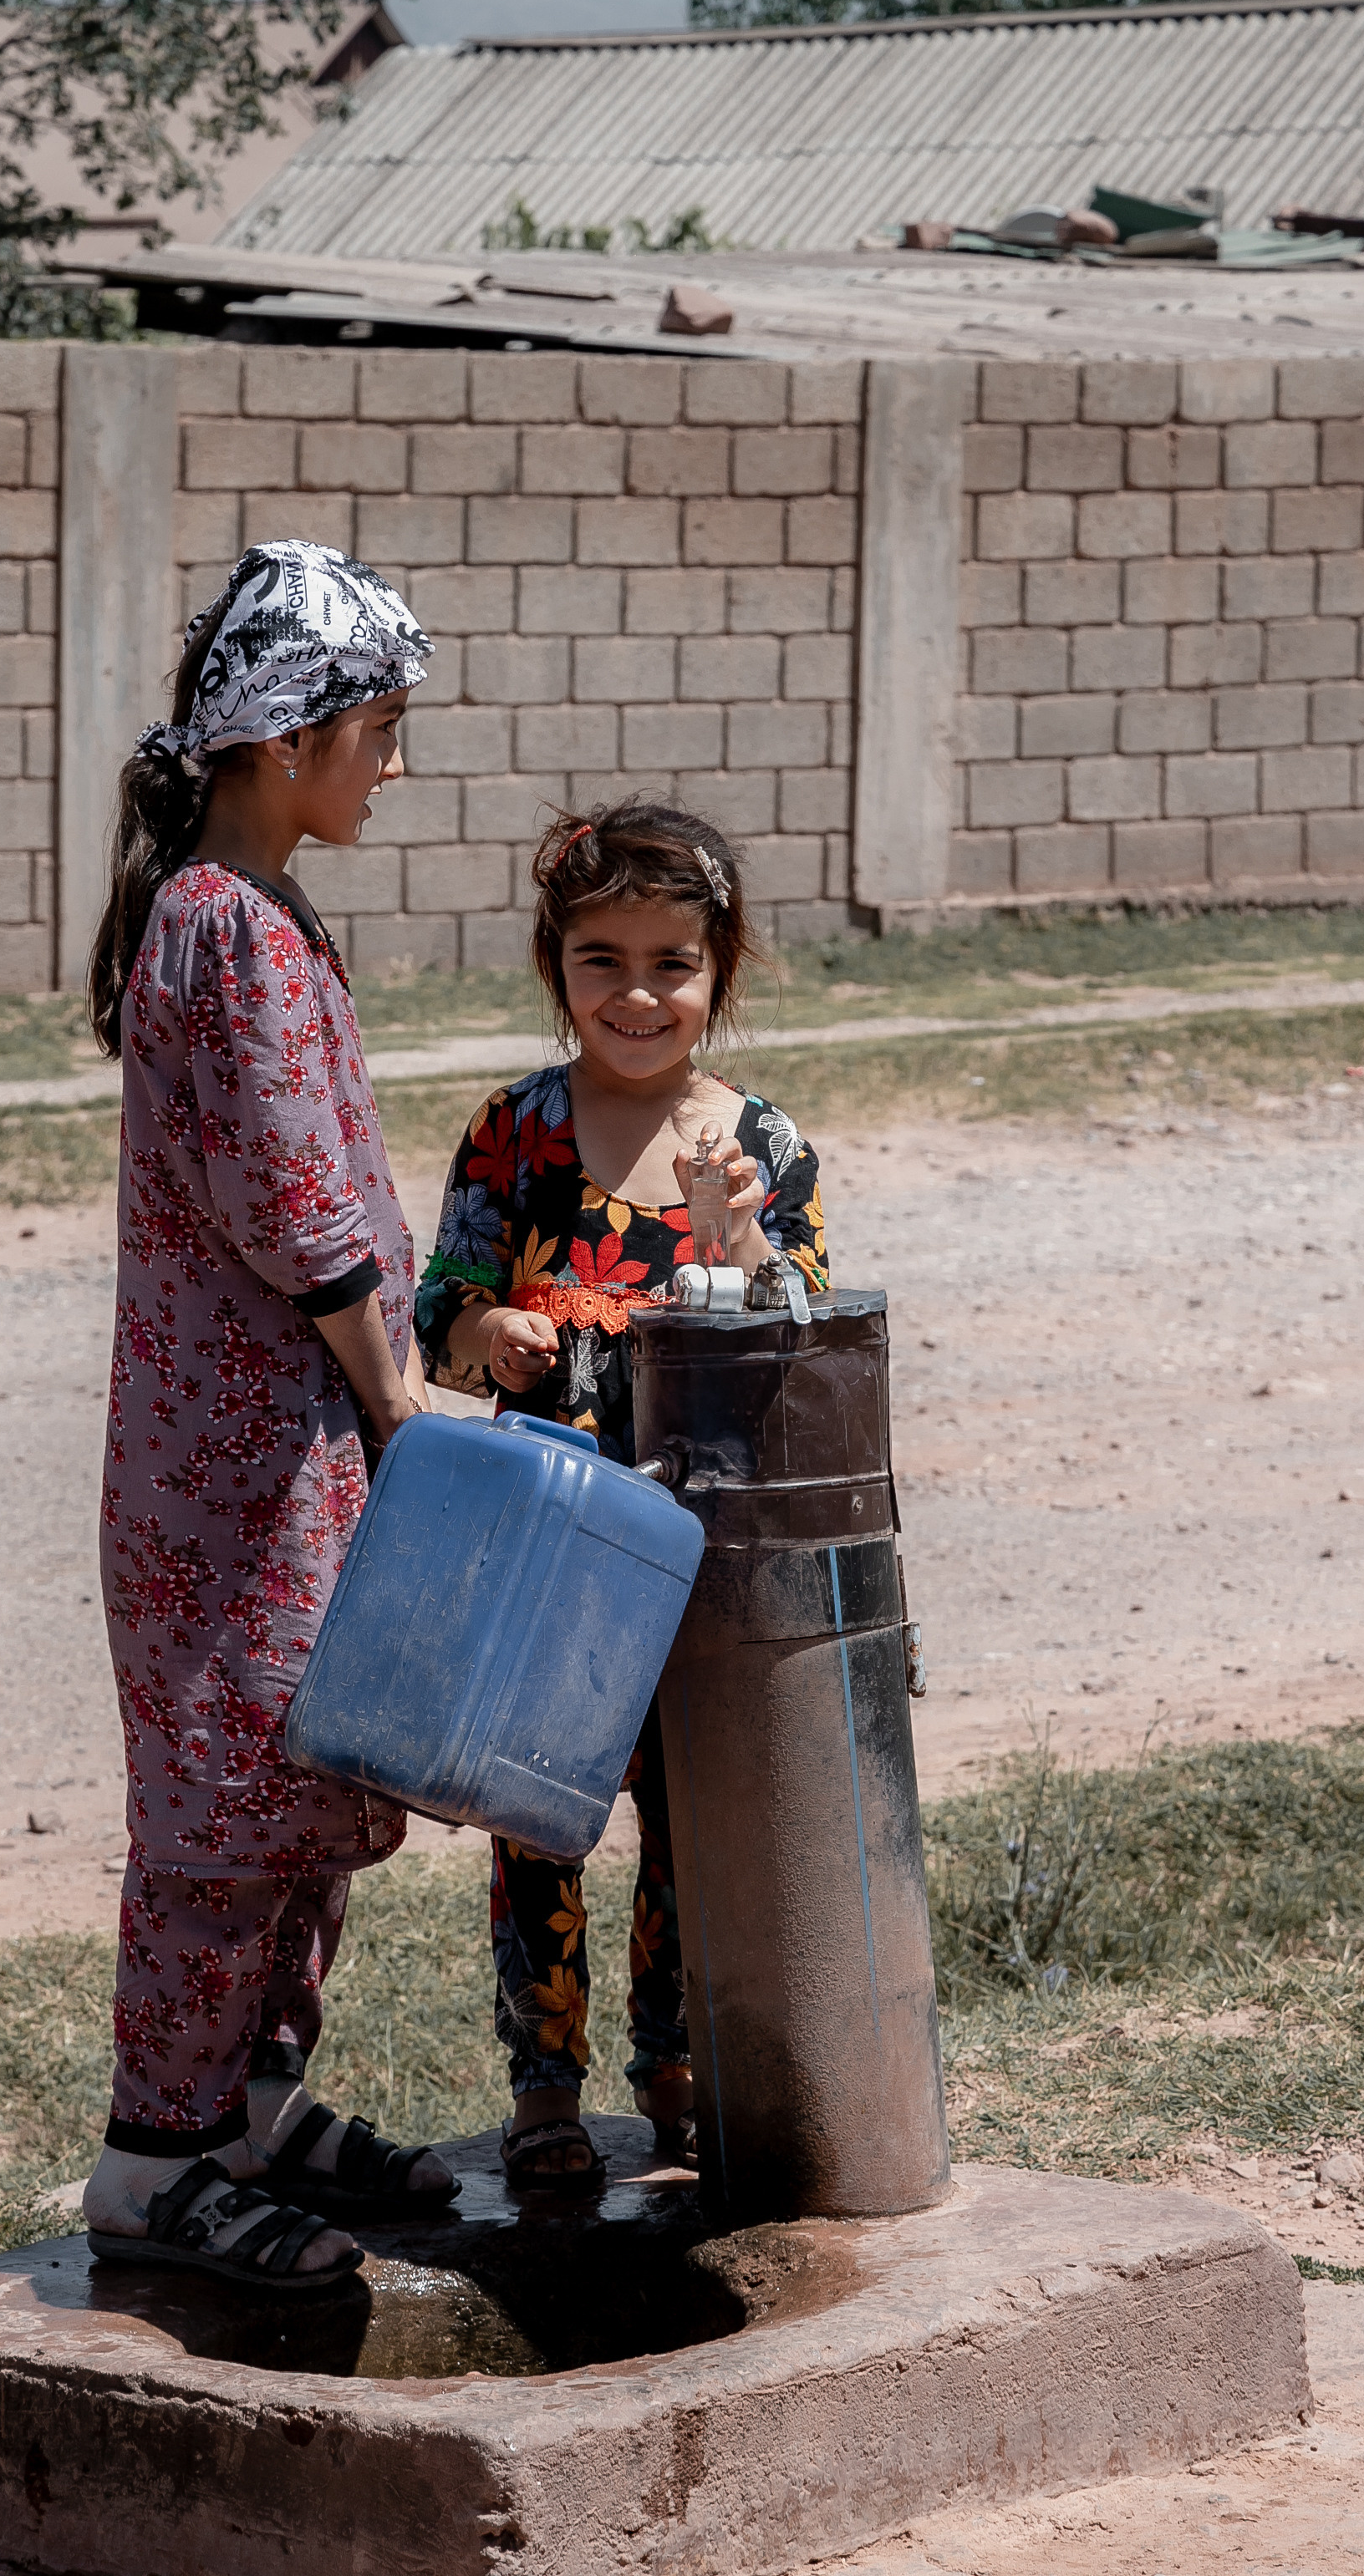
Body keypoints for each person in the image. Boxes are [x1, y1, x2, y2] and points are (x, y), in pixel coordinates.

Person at [79, 540, 458, 2296]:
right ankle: (156, 2163)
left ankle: (257, 2111)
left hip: (290, 1464)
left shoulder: (264, 913)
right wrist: (405, 1409)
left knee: (313, 1784)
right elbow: (302, 1215)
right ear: (290, 736)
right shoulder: (219, 930)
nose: (392, 764)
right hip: (236, 1478)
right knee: (225, 1825)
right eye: (378, 728)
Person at [415, 800, 830, 2192]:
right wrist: (482, 1339)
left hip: (700, 1547)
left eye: (674, 962)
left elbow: (801, 1343)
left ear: (723, 971)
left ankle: (672, 2059)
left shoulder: (760, 1148)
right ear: (555, 967)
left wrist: (735, 1241)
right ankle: (544, 2084)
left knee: (684, 1815)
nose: (640, 995)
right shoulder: (514, 1134)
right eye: (605, 962)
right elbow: (437, 1304)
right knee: (536, 1813)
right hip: (546, 1547)